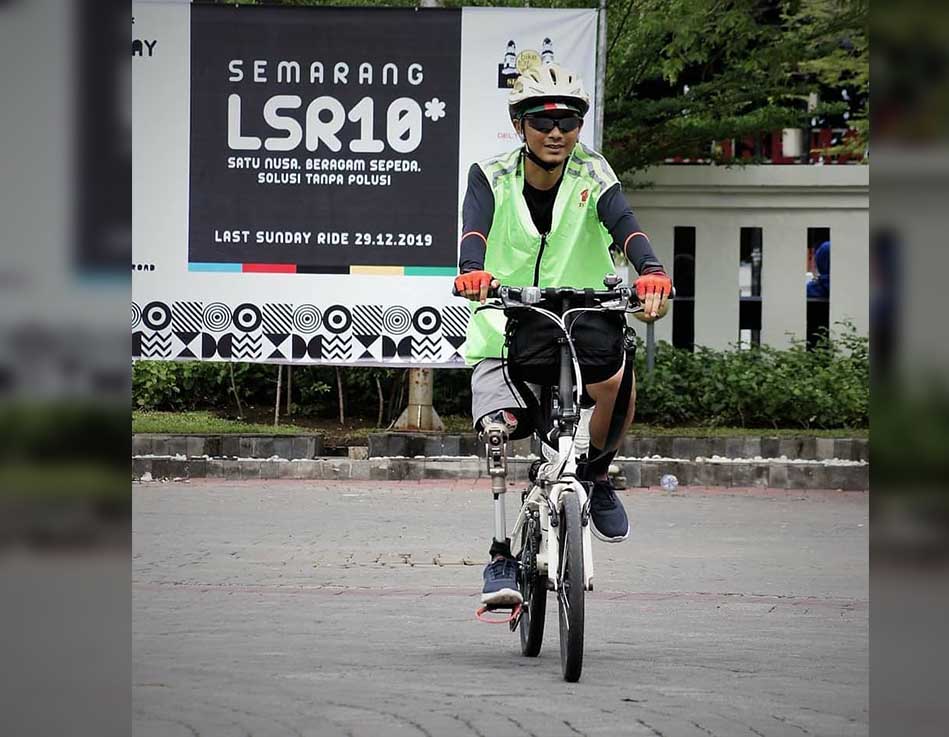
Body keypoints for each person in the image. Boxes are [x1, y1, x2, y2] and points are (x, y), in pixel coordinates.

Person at [452, 64, 673, 608]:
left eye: (569, 120)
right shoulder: (492, 174)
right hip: (505, 322)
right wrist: (472, 268)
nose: (557, 132)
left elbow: (627, 226)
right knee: (500, 432)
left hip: (578, 315)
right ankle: (501, 554)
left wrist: (650, 271)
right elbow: (474, 229)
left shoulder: (594, 174)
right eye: (543, 120)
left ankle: (595, 477)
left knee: (619, 384)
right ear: (519, 124)